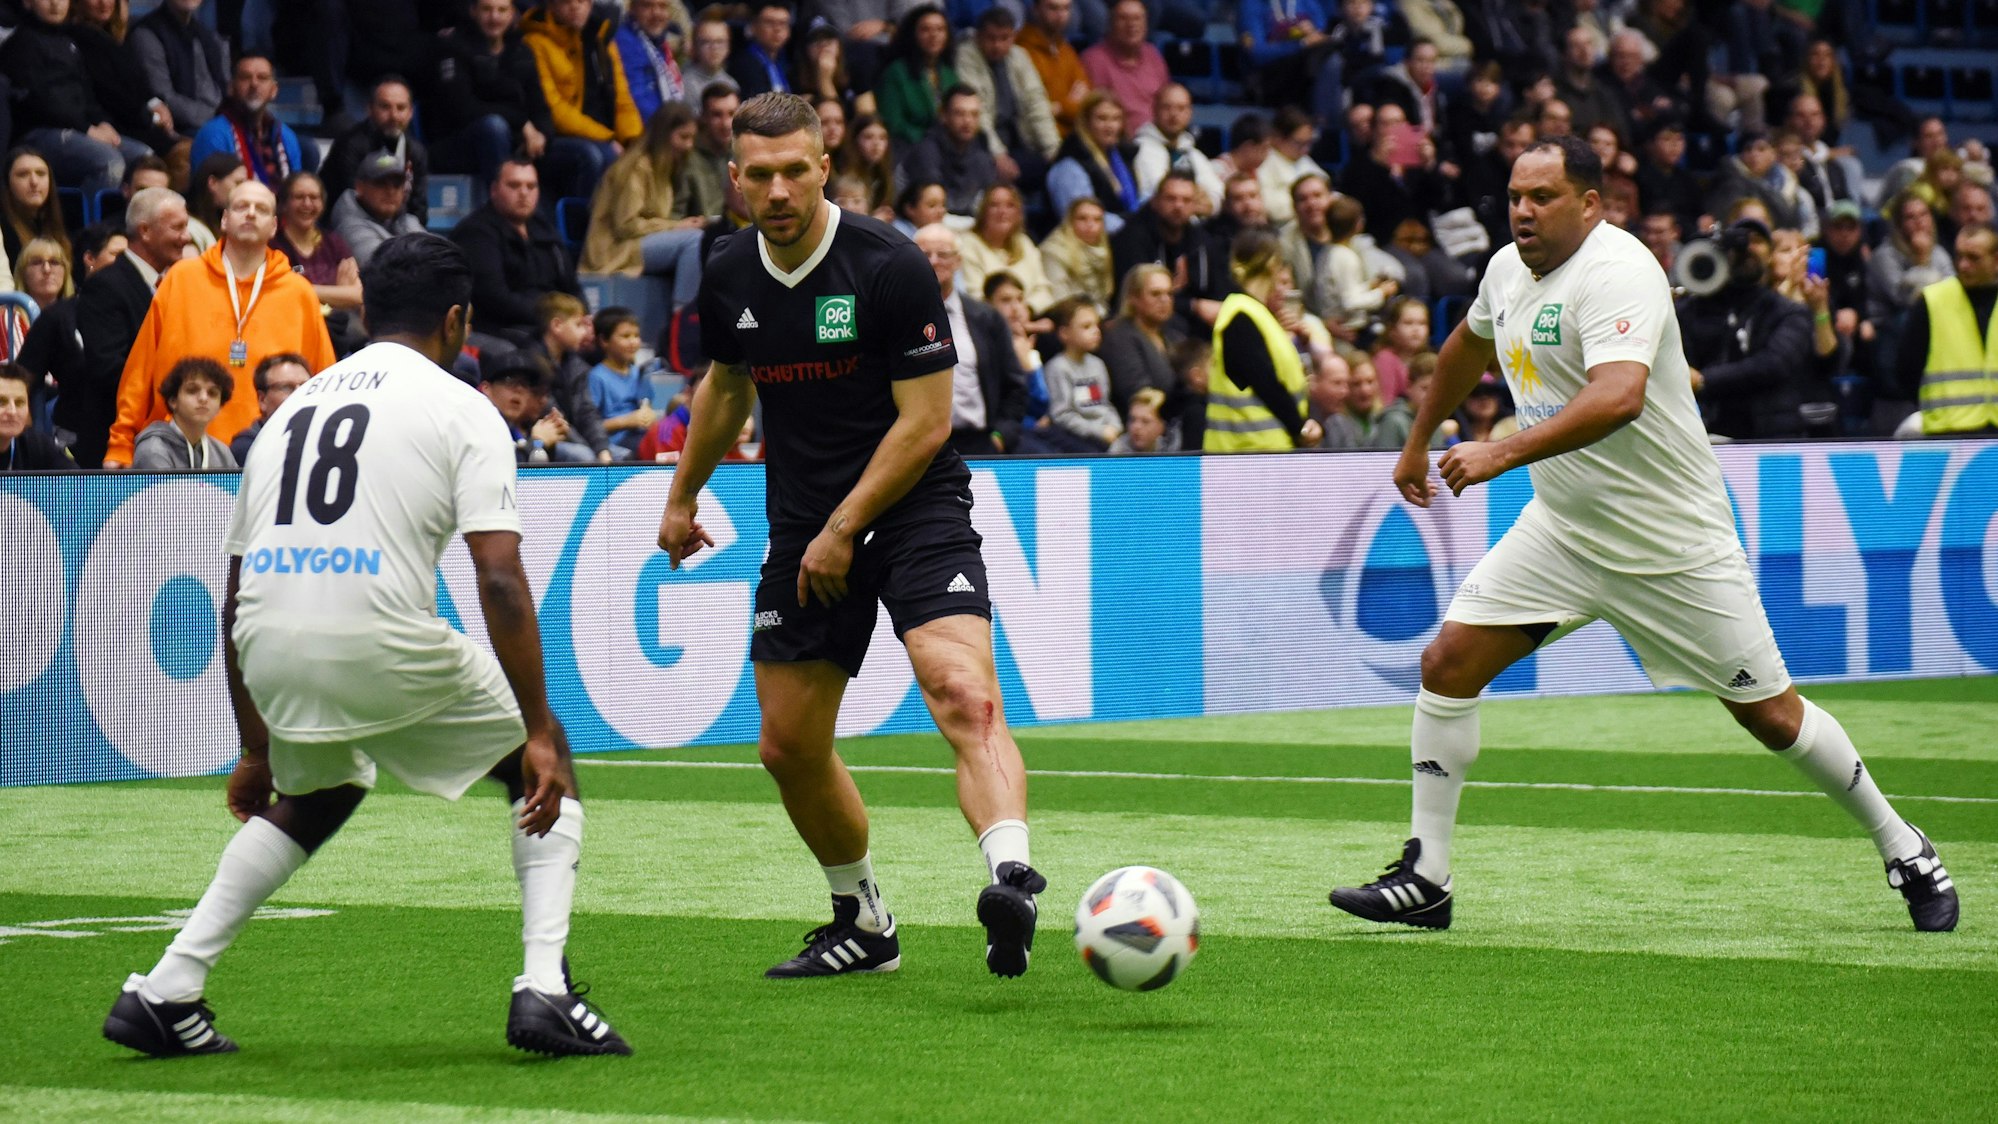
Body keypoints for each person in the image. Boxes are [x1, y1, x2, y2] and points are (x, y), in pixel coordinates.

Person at [1330, 134, 1957, 934]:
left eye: (1542, 197)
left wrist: (1501, 452)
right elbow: (1466, 345)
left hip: (1670, 544)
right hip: (1563, 528)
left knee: (1772, 717)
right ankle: (1429, 874)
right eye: (1516, 196)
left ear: (1590, 204)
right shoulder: (1504, 270)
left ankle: (1903, 844)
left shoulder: (1620, 270)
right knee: (1448, 663)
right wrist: (1415, 445)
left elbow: (1619, 396)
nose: (1522, 210)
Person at [101, 232, 631, 1060]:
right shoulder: (463, 408)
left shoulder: (287, 415)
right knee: (544, 760)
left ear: (365, 314)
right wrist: (534, 726)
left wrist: (254, 744)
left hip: (268, 640)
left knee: (323, 788)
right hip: (377, 635)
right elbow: (497, 577)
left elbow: (236, 591)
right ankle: (545, 988)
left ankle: (167, 989)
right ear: (457, 322)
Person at [658, 93, 1048, 981]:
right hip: (805, 523)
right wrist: (684, 494)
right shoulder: (725, 269)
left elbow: (925, 423)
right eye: (760, 174)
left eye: (796, 169)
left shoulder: (889, 263)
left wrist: (845, 528)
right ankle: (864, 921)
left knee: (961, 692)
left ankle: (1010, 877)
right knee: (788, 746)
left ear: (825, 166)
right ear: (735, 180)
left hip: (915, 506)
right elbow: (727, 384)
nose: (780, 188)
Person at [104, 180, 337, 467]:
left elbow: (324, 383)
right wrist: (121, 444)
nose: (250, 213)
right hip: (182, 453)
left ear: (274, 226)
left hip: (273, 454)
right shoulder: (181, 279)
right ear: (225, 219)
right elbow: (141, 372)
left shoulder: (298, 292)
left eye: (261, 209)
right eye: (241, 206)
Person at [65, 186, 189, 468]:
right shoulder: (105, 286)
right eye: (178, 227)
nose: (186, 237)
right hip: (118, 444)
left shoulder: (177, 285)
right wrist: (175, 395)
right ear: (145, 231)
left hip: (168, 434)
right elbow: (108, 368)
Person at [0, 0, 153, 196]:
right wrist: (88, 129)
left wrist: (102, 122)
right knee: (108, 163)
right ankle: (98, 225)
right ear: (28, 3)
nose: (55, 4)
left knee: (145, 159)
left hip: (80, 130)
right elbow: (45, 104)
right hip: (39, 134)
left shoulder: (69, 42)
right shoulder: (20, 45)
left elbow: (87, 94)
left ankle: (137, 220)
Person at [580, 101, 707, 316]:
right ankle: (682, 318)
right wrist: (676, 227)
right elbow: (626, 225)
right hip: (616, 247)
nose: (688, 146)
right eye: (683, 137)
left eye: (692, 138)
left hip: (637, 242)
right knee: (693, 240)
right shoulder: (636, 167)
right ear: (664, 135)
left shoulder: (664, 170)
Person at [914, 223, 1027, 455]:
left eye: (943, 254)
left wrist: (1000, 437)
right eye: (925, 254)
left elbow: (1014, 385)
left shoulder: (987, 318)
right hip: (917, 448)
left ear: (958, 261)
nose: (934, 261)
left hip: (979, 446)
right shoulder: (893, 316)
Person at [1205, 230, 1321, 452]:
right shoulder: (1241, 315)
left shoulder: (1257, 314)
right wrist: (1300, 427)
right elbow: (1265, 381)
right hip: (1248, 453)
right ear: (1272, 265)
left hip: (1263, 450)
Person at [424, 0, 556, 190]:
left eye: (502, 10)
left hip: (518, 142)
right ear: (473, 11)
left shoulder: (522, 51)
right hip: (458, 143)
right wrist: (521, 123)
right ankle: (502, 208)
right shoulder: (453, 47)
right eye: (487, 9)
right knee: (494, 127)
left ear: (512, 14)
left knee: (586, 155)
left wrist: (543, 135)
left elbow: (540, 107)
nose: (494, 17)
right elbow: (463, 109)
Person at [451, 158, 583, 346]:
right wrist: (552, 318)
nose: (523, 193)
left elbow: (572, 286)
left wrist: (580, 317)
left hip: (551, 325)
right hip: (500, 329)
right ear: (494, 189)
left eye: (531, 186)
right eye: (514, 185)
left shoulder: (545, 229)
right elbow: (494, 298)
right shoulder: (475, 232)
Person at [523, 0, 644, 202]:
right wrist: (607, 138)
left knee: (645, 158)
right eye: (566, 2)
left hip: (603, 137)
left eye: (581, 1)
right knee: (596, 156)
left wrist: (633, 141)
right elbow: (555, 111)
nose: (575, 6)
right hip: (557, 137)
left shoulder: (603, 40)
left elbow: (623, 101)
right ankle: (585, 227)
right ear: (551, 5)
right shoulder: (535, 42)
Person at [1895, 223, 1998, 435]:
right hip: (1947, 434)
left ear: (1996, 260)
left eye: (1973, 257)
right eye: (1959, 256)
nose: (1963, 265)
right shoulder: (1932, 301)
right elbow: (1905, 371)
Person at [952, 7, 1059, 190]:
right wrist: (998, 154)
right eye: (991, 38)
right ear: (978, 36)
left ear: (1014, 37)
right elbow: (978, 114)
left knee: (1059, 168)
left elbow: (1036, 103)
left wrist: (1054, 150)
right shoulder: (966, 57)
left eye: (1004, 38)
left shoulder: (1019, 56)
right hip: (982, 145)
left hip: (1020, 139)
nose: (997, 45)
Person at [1109, 170, 1227, 333]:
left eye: (1186, 200)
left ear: (1194, 206)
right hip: (1144, 322)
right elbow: (1135, 296)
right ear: (1155, 201)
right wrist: (1193, 306)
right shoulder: (1132, 239)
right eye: (1171, 199)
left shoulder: (1201, 240)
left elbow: (1220, 285)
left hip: (1195, 323)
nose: (1178, 206)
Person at [321, 78, 432, 225]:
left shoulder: (416, 152)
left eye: (401, 108)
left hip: (397, 233)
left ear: (411, 112)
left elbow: (419, 209)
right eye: (385, 107)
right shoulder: (350, 145)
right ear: (370, 109)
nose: (394, 116)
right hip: (349, 230)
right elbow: (349, 206)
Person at [189, 56, 307, 190]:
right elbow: (210, 197)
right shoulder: (213, 134)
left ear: (274, 90)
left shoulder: (286, 135)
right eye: (245, 77)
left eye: (262, 78)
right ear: (231, 88)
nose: (254, 84)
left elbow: (295, 190)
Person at [525, 290, 611, 463]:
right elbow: (553, 416)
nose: (585, 333)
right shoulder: (531, 363)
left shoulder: (577, 366)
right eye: (578, 325)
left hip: (577, 440)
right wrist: (592, 454)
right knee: (584, 457)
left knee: (619, 456)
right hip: (541, 440)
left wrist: (602, 449)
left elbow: (587, 413)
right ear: (557, 326)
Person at [128, 0, 228, 138]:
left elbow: (225, 86)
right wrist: (217, 119)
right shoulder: (147, 34)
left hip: (221, 118)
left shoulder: (207, 34)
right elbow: (163, 95)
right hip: (184, 127)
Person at [1033, 294, 1120, 452]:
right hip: (1076, 438)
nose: (1095, 331)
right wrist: (1099, 432)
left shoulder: (1098, 364)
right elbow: (1062, 415)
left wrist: (1115, 427)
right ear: (1064, 333)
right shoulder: (1058, 368)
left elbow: (1105, 404)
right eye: (1086, 327)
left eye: (1096, 325)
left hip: (1105, 433)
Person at [896, 85, 1001, 216]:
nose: (967, 121)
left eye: (974, 114)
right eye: (959, 113)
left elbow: (988, 202)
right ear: (944, 115)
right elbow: (931, 211)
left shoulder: (982, 154)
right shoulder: (926, 151)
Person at [272, 172, 364, 318]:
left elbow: (357, 295)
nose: (307, 204)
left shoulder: (334, 243)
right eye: (299, 197)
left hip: (339, 325)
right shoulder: (273, 246)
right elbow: (279, 294)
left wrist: (301, 288)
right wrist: (338, 293)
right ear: (284, 204)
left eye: (314, 197)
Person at [957, 184, 1054, 313]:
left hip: (1029, 318)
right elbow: (974, 296)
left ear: (1018, 213)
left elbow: (1044, 291)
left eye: (1010, 205)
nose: (1002, 211)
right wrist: (1011, 315)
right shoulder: (967, 245)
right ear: (983, 211)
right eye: (994, 205)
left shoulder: (1024, 243)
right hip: (987, 323)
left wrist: (1027, 310)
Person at [130, 356, 239, 471]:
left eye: (212, 393)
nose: (203, 398)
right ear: (173, 401)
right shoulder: (153, 449)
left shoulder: (222, 453)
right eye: (192, 390)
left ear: (220, 405)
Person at [1099, 261, 1178, 415]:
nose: (1165, 300)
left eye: (1169, 294)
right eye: (1156, 294)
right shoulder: (1119, 338)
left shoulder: (1175, 335)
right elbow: (1138, 393)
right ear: (1134, 298)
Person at [1131, 83, 1222, 216]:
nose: (1174, 114)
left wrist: (1210, 205)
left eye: (1181, 108)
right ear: (1154, 109)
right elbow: (1162, 195)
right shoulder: (1140, 149)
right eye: (1167, 107)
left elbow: (1218, 193)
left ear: (1190, 113)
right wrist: (1195, 198)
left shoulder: (1191, 152)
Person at [875, 6, 958, 147]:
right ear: (913, 34)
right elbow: (893, 124)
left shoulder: (949, 73)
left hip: (947, 147)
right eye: (926, 29)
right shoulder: (896, 72)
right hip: (909, 148)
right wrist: (930, 140)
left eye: (940, 29)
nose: (934, 35)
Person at [1080, 0, 1169, 133]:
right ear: (1111, 23)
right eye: (1123, 18)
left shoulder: (1153, 55)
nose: (1132, 25)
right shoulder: (1093, 60)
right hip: (1118, 143)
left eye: (1137, 18)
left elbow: (1167, 102)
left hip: (1156, 139)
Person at [330, 151, 426, 268]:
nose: (391, 191)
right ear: (360, 187)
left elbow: (440, 255)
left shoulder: (406, 219)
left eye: (397, 184)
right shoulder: (348, 227)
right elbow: (385, 269)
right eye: (381, 183)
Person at [1015, 0, 1091, 137]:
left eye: (1066, 8)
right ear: (1036, 9)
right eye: (1053, 8)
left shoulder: (1067, 51)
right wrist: (1069, 104)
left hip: (1074, 137)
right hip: (1039, 140)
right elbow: (1035, 110)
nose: (1060, 15)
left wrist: (1060, 108)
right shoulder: (1021, 49)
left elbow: (1086, 105)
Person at [228, 351, 310, 463]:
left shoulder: (322, 439)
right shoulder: (248, 447)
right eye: (286, 387)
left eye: (306, 386)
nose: (299, 393)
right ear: (262, 400)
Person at [615, 0, 687, 125]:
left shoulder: (658, 44)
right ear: (632, 8)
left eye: (662, 6)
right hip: (647, 132)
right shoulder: (625, 43)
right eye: (647, 6)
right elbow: (638, 99)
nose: (657, 13)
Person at [1, 148, 68, 283]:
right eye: (23, 174)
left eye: (41, 173)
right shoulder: (3, 229)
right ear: (8, 184)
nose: (34, 182)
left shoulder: (61, 227)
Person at [679, 83, 740, 222]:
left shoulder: (743, 152)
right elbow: (676, 216)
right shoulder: (686, 157)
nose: (726, 124)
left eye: (731, 114)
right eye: (717, 115)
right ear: (703, 117)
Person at [1039, 196, 1114, 306]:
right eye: (1082, 218)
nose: (1090, 225)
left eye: (1097, 219)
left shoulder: (1104, 250)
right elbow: (1060, 300)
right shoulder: (1053, 252)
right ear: (1069, 222)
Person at [1368, 349, 1444, 449]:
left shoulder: (1436, 422)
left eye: (1436, 390)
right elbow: (1383, 460)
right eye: (1425, 388)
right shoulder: (1393, 421)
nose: (1431, 396)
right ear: (1409, 386)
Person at [726, 0, 795, 98]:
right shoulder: (744, 64)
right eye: (769, 22)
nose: (777, 29)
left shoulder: (785, 62)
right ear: (753, 26)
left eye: (783, 23)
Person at [835, 113, 897, 220]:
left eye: (882, 138)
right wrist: (875, 220)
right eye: (868, 137)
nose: (876, 143)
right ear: (855, 140)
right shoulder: (845, 175)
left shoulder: (883, 176)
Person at [1371, 295, 1431, 405]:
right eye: (1408, 323)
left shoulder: (1428, 360)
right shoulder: (1385, 359)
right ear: (1392, 330)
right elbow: (1386, 404)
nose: (1416, 329)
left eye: (1422, 323)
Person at [186, 152, 248, 252]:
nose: (243, 190)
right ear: (213, 182)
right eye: (238, 183)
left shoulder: (229, 227)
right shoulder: (190, 230)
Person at [679, 19, 735, 113]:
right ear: (694, 47)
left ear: (728, 47)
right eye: (706, 42)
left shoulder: (732, 84)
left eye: (720, 42)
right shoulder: (683, 85)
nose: (714, 48)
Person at [1108, 385, 1172, 452]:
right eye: (1132, 420)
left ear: (1161, 426)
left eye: (1145, 421)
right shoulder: (1117, 453)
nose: (1136, 427)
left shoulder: (1171, 449)